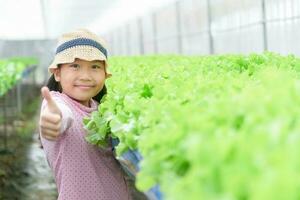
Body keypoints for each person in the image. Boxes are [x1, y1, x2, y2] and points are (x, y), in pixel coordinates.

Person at [39, 29, 146, 200]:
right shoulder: (57, 103)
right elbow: (62, 116)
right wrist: (54, 121)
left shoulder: (100, 108)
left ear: (105, 73)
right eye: (75, 66)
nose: (86, 76)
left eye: (95, 67)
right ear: (57, 73)